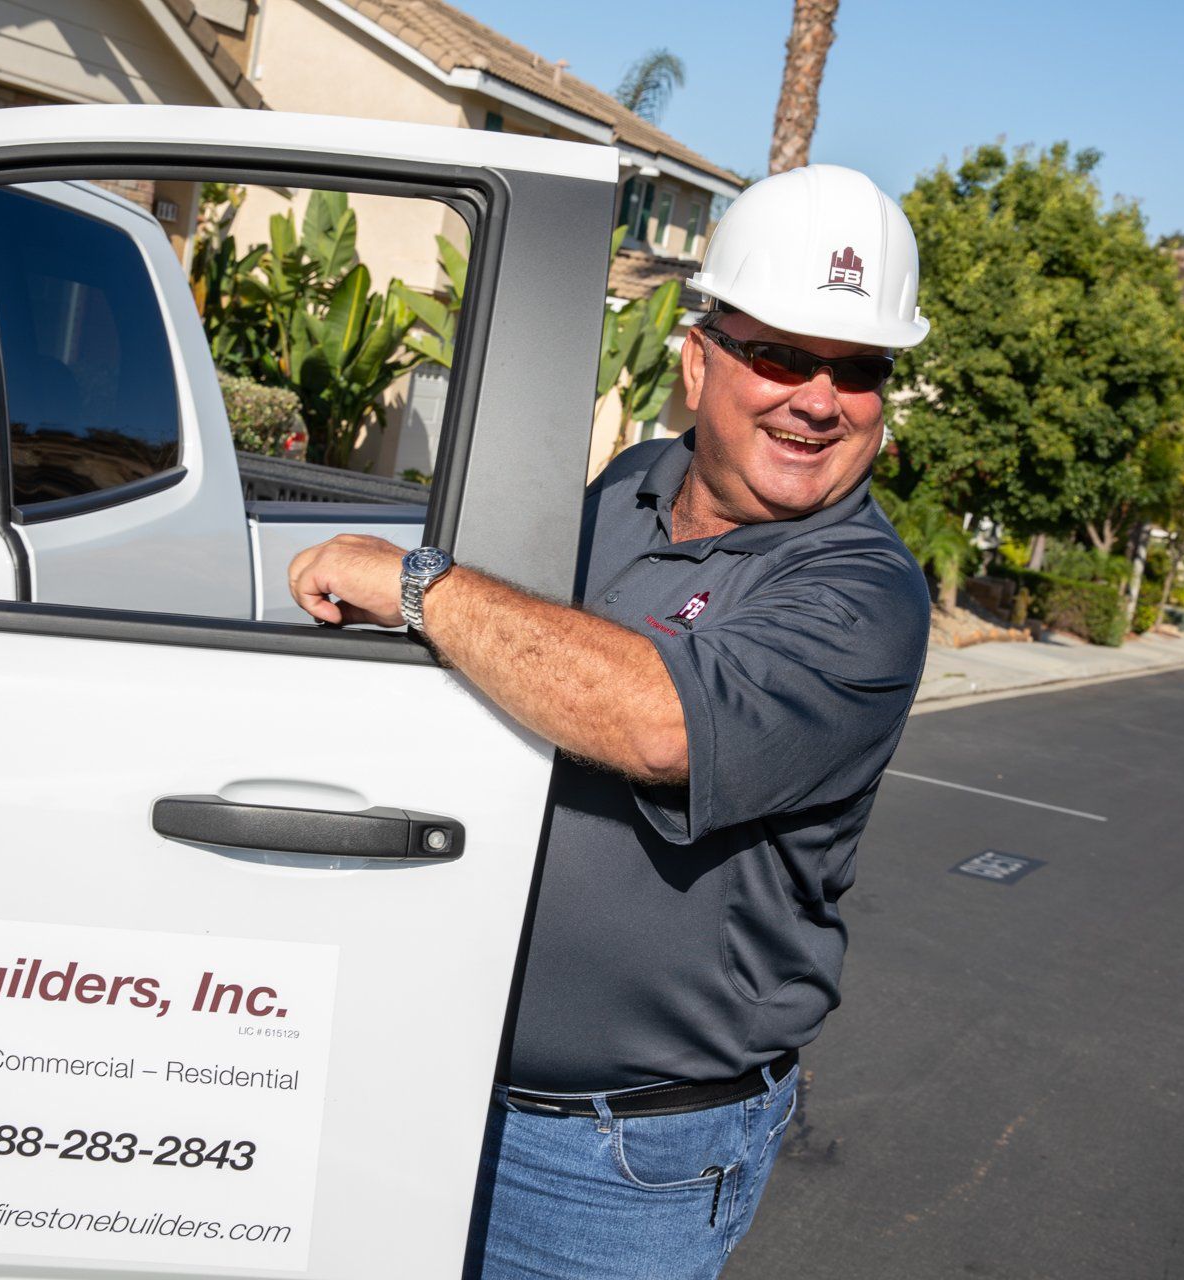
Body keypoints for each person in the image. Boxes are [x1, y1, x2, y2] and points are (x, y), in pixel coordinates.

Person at [288, 164, 934, 1279]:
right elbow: (518, 651)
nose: (819, 398)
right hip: (437, 1085)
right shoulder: (632, 482)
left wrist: (417, 584)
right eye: (779, 354)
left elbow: (656, 721)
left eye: (858, 369)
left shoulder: (862, 594)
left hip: (620, 1153)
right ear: (698, 360)